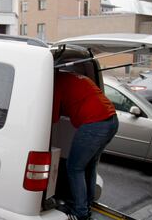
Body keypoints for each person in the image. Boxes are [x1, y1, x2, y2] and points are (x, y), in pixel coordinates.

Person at [53, 71, 119, 220]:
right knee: (89, 165)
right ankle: (86, 204)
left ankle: (80, 212)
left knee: (74, 167)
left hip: (95, 124)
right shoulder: (75, 76)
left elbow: (53, 116)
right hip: (111, 120)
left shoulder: (56, 83)